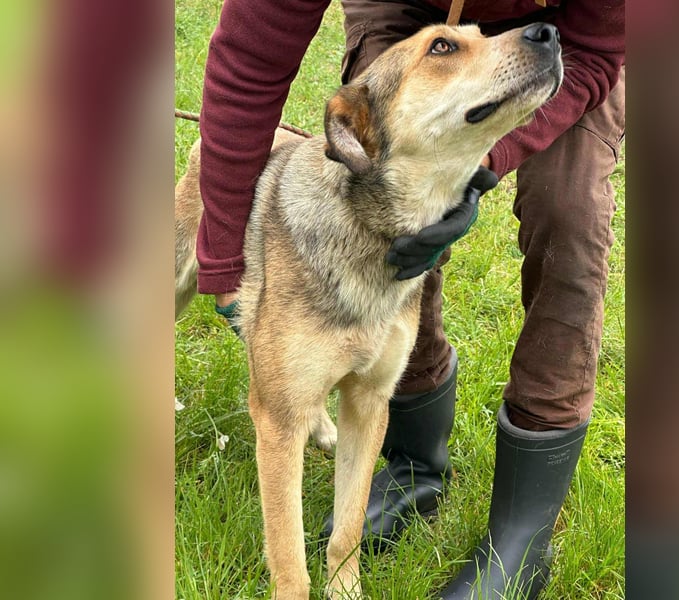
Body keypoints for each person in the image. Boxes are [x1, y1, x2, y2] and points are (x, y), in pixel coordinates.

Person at [197, 0, 624, 597]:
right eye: (452, 48)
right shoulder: (369, 112)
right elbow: (250, 56)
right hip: (404, 19)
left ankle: (523, 530)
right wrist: (220, 262)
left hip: (574, 34)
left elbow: (598, 47)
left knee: (570, 210)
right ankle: (413, 468)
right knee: (398, 192)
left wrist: (478, 165)